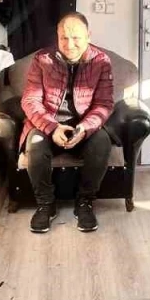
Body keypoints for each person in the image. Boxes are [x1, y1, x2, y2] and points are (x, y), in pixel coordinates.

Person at [20, 12, 115, 234]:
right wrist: (52, 127)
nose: (69, 44)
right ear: (57, 36)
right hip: (49, 125)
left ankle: (85, 202)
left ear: (88, 36)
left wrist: (85, 127)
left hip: (83, 127)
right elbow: (30, 100)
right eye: (64, 38)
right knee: (35, 144)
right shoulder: (42, 59)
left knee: (102, 142)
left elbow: (104, 104)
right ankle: (46, 204)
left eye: (76, 38)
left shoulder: (101, 61)